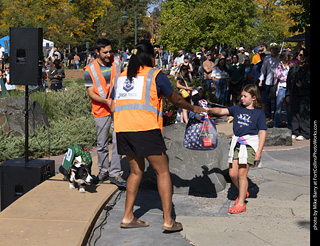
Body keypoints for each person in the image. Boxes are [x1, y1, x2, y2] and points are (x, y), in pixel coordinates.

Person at [111, 42, 205, 231]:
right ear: (149, 57)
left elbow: (113, 106)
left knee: (136, 171)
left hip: (123, 129)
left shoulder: (121, 77)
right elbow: (176, 99)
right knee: (162, 171)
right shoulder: (155, 75)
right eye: (154, 55)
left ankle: (128, 216)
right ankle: (169, 221)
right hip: (145, 129)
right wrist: (194, 108)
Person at [207, 84, 267, 214]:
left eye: (245, 96)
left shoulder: (259, 113)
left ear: (254, 98)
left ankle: (241, 203)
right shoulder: (238, 109)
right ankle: (242, 191)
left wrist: (259, 151)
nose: (242, 98)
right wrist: (209, 110)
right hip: (236, 144)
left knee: (242, 174)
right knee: (233, 174)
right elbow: (222, 111)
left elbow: (262, 132)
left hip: (249, 145)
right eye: (241, 96)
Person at [84, 38, 126, 187]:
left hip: (117, 109)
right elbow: (91, 93)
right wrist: (107, 101)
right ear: (97, 52)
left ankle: (114, 173)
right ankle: (103, 171)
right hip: (101, 110)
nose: (109, 54)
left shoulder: (117, 63)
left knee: (117, 141)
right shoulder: (90, 69)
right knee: (101, 144)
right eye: (105, 52)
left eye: (110, 51)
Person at [285, 48, 310, 140]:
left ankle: (305, 132)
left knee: (303, 112)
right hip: (294, 93)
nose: (301, 57)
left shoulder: (308, 68)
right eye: (300, 55)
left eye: (303, 55)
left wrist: (303, 84)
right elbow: (288, 82)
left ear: (307, 57)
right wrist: (287, 94)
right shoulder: (293, 68)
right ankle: (295, 131)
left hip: (305, 94)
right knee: (294, 113)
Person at [258, 43, 280, 121]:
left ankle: (275, 116)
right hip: (268, 81)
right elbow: (263, 70)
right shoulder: (267, 58)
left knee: (276, 99)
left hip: (277, 81)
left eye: (275, 49)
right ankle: (268, 115)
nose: (273, 51)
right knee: (267, 100)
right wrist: (261, 80)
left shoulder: (279, 58)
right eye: (272, 49)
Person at [273, 51, 293, 129]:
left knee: (289, 108)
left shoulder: (291, 66)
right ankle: (275, 125)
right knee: (278, 108)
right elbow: (278, 75)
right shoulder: (279, 65)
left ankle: (290, 126)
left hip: (289, 88)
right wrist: (287, 78)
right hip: (281, 87)